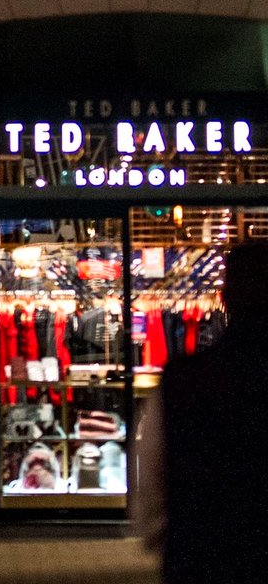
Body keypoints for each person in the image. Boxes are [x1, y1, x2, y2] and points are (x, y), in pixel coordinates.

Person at [134, 241, 268, 584]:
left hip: (199, 555)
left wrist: (165, 539)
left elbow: (151, 477)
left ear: (224, 299)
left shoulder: (184, 380)